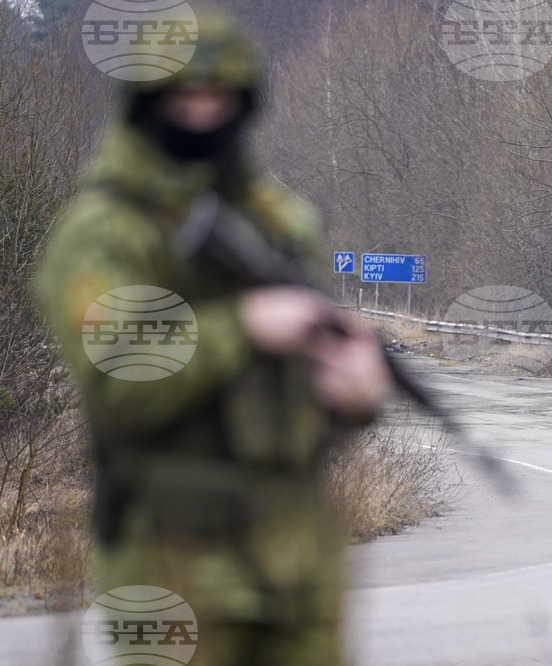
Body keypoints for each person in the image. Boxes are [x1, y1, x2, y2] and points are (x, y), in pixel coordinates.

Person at [35, 10, 391, 666]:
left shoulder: (279, 221)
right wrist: (246, 325)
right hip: (174, 565)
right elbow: (119, 382)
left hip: (296, 565)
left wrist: (356, 395)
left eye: (220, 97)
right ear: (147, 103)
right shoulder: (105, 233)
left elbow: (306, 402)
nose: (204, 113)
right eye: (185, 97)